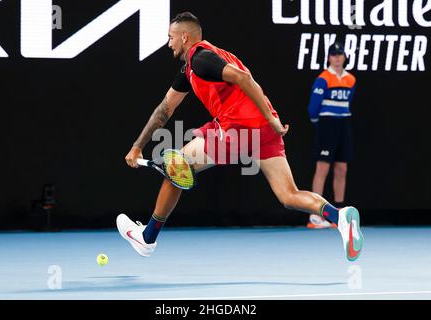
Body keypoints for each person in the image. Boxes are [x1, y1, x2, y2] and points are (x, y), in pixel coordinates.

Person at [118, 13, 363, 261]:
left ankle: (148, 237)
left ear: (184, 37)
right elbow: (165, 109)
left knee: (177, 167)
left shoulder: (201, 58)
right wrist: (138, 146)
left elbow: (243, 78)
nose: (168, 43)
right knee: (289, 195)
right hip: (262, 130)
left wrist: (271, 119)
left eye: (171, 38)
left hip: (241, 126)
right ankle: (339, 216)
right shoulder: (191, 69)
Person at [306, 42, 356, 229]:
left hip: (344, 124)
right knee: (322, 169)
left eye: (339, 54)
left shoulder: (351, 79)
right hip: (327, 124)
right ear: (328, 58)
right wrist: (319, 124)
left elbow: (348, 102)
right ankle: (315, 214)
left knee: (342, 168)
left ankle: (339, 215)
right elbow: (312, 108)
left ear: (344, 57)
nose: (337, 58)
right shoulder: (323, 79)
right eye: (333, 55)